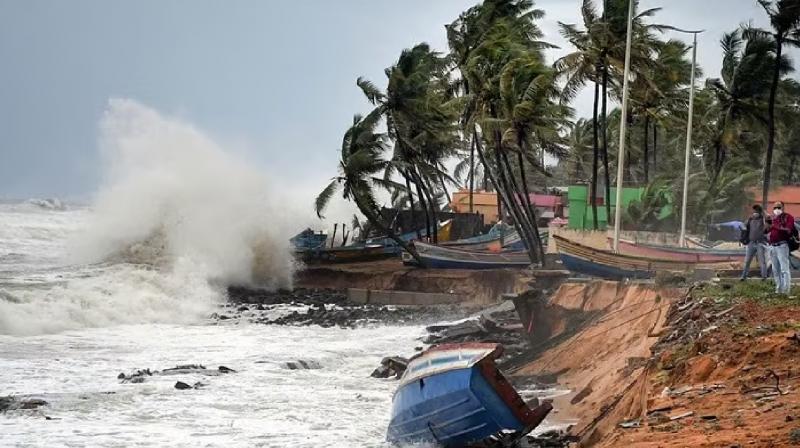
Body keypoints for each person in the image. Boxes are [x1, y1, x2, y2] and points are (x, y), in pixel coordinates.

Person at [767, 201, 794, 294]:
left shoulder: (788, 217)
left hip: (782, 246)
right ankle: (779, 290)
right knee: (775, 270)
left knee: (784, 269)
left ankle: (786, 291)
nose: (776, 209)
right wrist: (767, 223)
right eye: (774, 208)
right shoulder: (773, 218)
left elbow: (788, 230)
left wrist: (775, 225)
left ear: (783, 207)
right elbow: (766, 231)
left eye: (778, 207)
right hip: (772, 246)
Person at [741, 204, 768, 280]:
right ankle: (743, 276)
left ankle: (764, 276)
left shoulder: (763, 219)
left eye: (756, 210)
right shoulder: (750, 219)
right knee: (747, 261)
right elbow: (744, 227)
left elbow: (768, 218)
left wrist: (763, 211)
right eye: (754, 211)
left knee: (762, 261)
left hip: (760, 243)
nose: (754, 212)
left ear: (759, 212)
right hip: (751, 243)